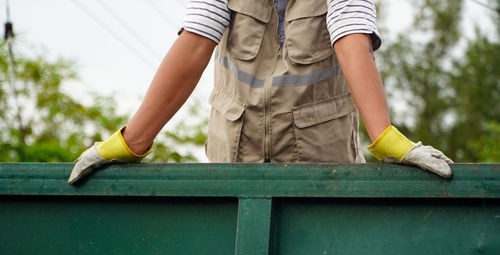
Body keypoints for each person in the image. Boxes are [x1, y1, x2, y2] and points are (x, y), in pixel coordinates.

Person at [68, 0, 453, 184]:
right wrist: (132, 141)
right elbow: (195, 43)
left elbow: (352, 37)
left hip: (323, 177)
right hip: (234, 170)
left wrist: (384, 136)